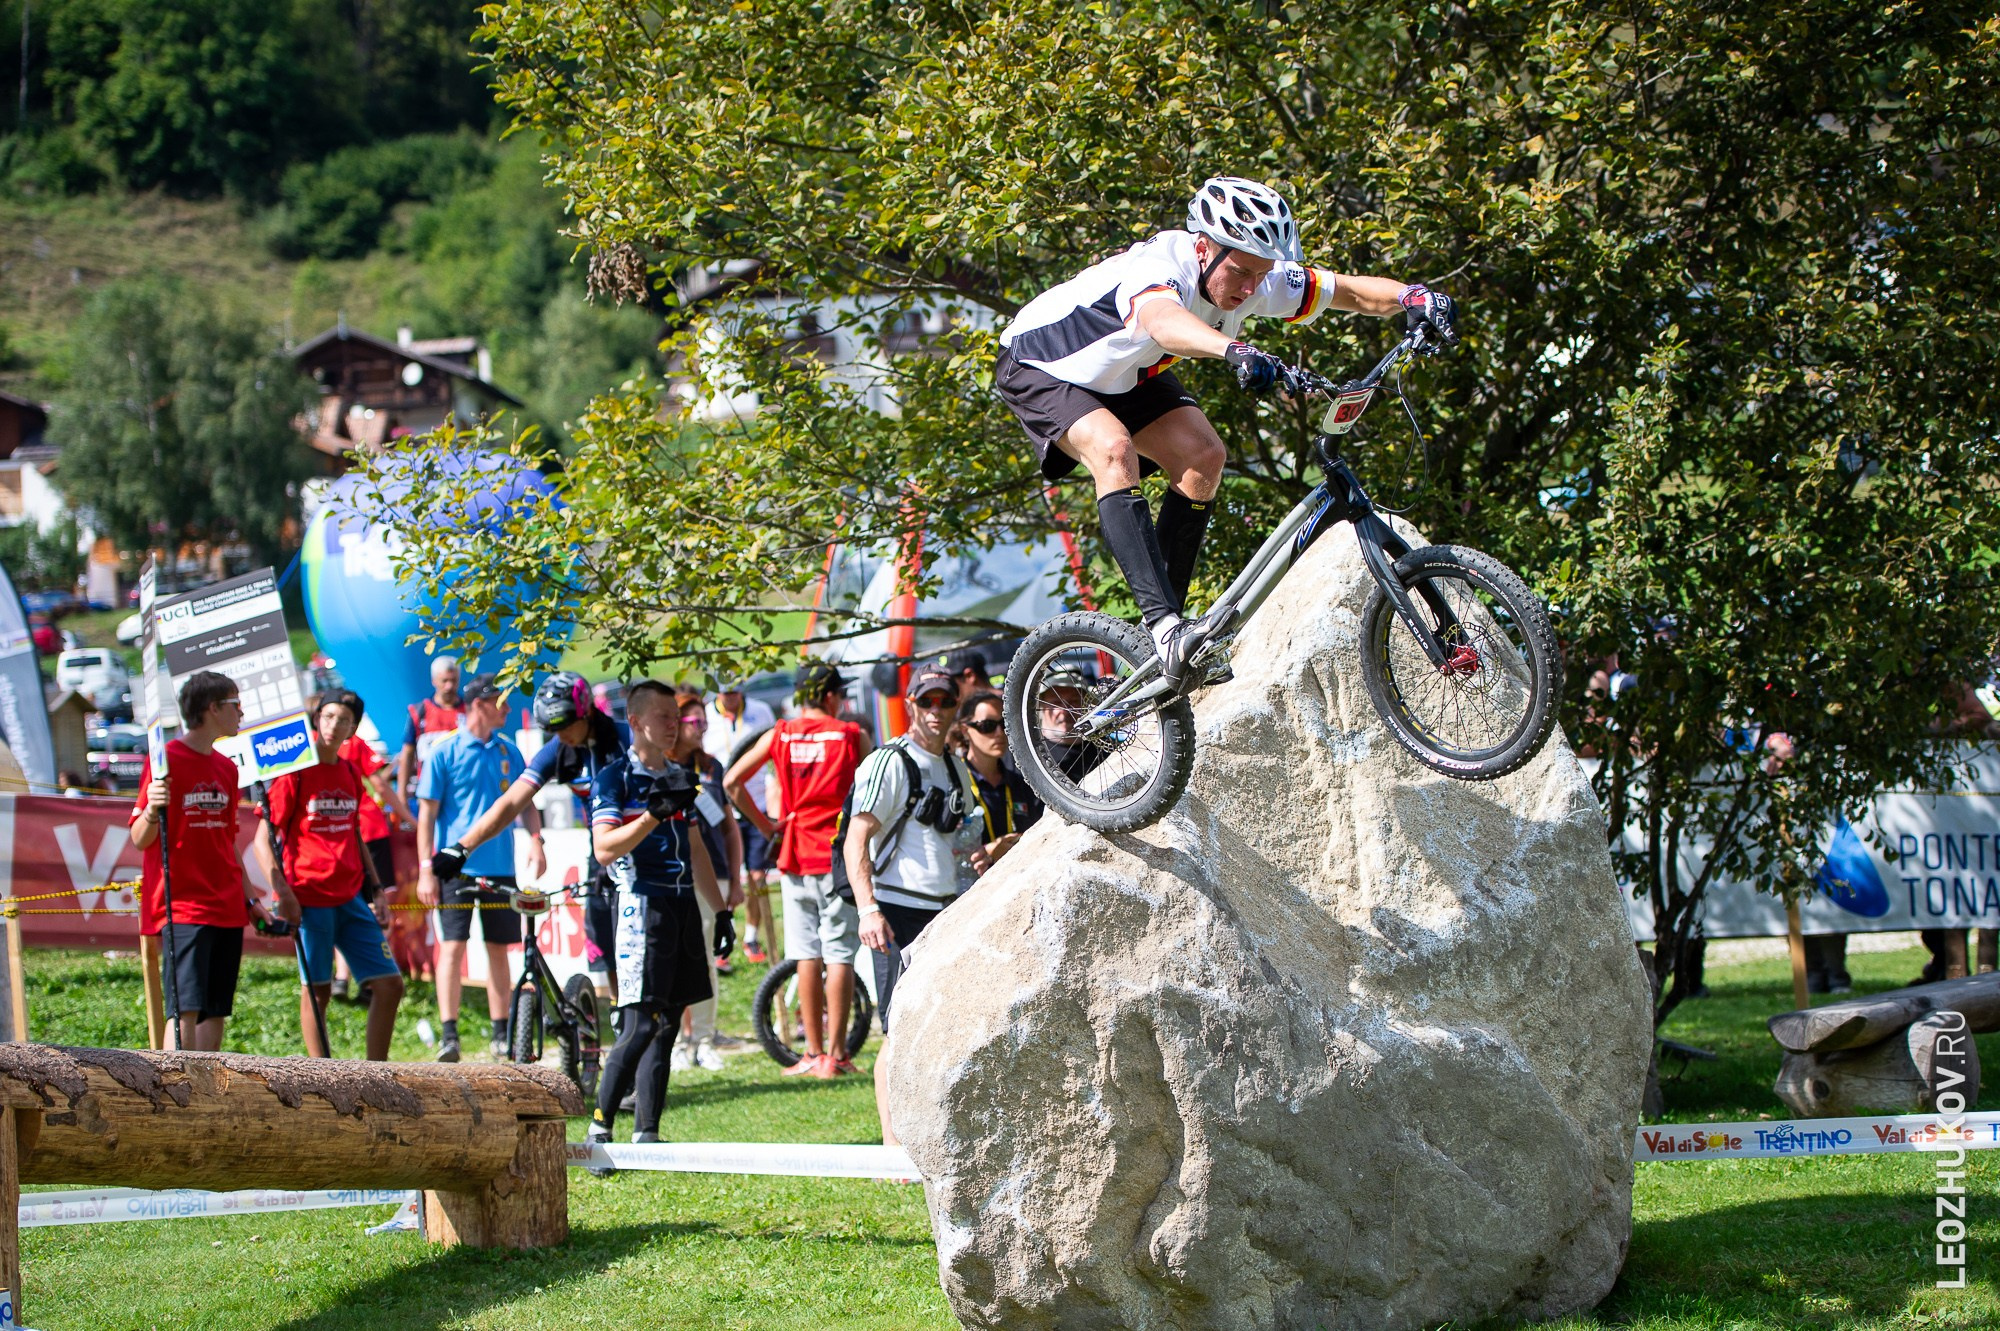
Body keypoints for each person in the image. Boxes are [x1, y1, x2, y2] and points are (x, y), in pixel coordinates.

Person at [995, 176, 1458, 683]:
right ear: (1203, 248)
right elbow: (1164, 322)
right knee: (1113, 448)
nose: (1249, 288)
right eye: (1240, 273)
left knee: (1203, 457)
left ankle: (1162, 643)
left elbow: (1347, 291)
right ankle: (1165, 625)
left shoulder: (1251, 278)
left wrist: (1414, 297)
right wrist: (1233, 350)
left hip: (1123, 373)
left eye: (1260, 276)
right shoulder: (1159, 266)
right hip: (1040, 365)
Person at [586, 681, 729, 1164]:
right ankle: (600, 1126)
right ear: (638, 722)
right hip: (639, 906)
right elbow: (603, 849)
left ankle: (648, 1132)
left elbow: (695, 847)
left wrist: (721, 908)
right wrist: (651, 815)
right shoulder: (614, 778)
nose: (675, 726)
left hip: (683, 905)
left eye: (678, 718)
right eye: (665, 717)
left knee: (669, 1023)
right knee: (640, 1024)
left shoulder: (679, 773)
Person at [844, 666, 985, 1143]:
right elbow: (855, 839)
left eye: (945, 702)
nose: (936, 711)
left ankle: (936, 1131)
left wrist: (978, 853)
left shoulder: (954, 766)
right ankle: (891, 1142)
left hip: (946, 910)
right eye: (927, 701)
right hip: (896, 911)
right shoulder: (889, 763)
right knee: (898, 1030)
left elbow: (962, 834)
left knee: (941, 1022)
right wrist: (868, 910)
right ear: (911, 704)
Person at [436, 671, 627, 1016]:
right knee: (605, 945)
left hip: (639, 852)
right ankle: (621, 1017)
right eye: (552, 729)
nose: (560, 736)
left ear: (584, 713)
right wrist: (461, 847)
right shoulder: (559, 748)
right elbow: (511, 803)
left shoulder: (625, 740)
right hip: (601, 857)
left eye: (565, 725)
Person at [129, 671, 297, 1051]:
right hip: (184, 907)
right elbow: (141, 838)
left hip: (226, 908)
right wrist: (154, 809)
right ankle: (175, 1093)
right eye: (235, 704)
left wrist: (251, 901)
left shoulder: (226, 768)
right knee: (185, 1009)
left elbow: (228, 845)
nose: (242, 712)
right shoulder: (165, 760)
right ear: (212, 708)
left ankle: (204, 1100)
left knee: (216, 1009)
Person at [724, 660, 869, 1078]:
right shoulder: (849, 735)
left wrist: (766, 824)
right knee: (839, 953)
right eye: (840, 694)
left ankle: (811, 1055)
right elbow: (874, 786)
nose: (842, 702)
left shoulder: (780, 733)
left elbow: (733, 781)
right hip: (838, 855)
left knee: (806, 952)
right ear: (828, 695)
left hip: (794, 855)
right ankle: (837, 1057)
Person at [254, 690, 405, 1060]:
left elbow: (354, 833)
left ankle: (377, 1074)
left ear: (352, 729)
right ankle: (323, 1078)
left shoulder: (351, 772)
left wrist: (377, 890)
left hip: (350, 897)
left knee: (389, 985)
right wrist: (282, 892)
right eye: (328, 716)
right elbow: (262, 840)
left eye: (343, 719)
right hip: (308, 898)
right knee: (318, 991)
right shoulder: (295, 773)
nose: (334, 724)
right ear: (317, 719)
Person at [416, 673, 544, 1062]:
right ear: (478, 705)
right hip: (456, 870)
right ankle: (449, 1035)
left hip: (501, 867)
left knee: (498, 950)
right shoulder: (443, 751)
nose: (507, 709)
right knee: (452, 948)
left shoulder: (510, 750)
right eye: (500, 702)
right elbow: (427, 815)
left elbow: (528, 803)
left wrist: (537, 841)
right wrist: (426, 868)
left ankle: (501, 1033)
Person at [672, 686, 743, 1071]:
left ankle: (702, 1038)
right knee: (674, 958)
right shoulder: (661, 766)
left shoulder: (711, 767)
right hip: (670, 876)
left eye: (704, 721)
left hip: (709, 874)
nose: (700, 728)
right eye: (693, 721)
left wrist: (735, 879)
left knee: (703, 958)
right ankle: (679, 1041)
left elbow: (729, 828)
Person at [336, 726, 413, 1001]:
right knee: (380, 905)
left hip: (340, 832)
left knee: (345, 905)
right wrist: (410, 819)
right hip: (368, 829)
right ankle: (375, 978)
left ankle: (342, 979)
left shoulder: (316, 747)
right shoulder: (354, 743)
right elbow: (380, 784)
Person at [705, 679, 777, 963]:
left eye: (734, 692)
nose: (730, 697)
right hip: (722, 811)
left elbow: (771, 760)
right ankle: (725, 935)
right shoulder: (707, 717)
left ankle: (751, 936)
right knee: (725, 877)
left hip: (756, 806)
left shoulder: (761, 711)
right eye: (725, 692)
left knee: (757, 877)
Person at [957, 689, 1042, 864]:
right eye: (987, 726)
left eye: (1004, 724)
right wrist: (988, 851)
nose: (999, 733)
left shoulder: (1022, 783)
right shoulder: (955, 783)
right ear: (965, 731)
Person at [396, 655, 463, 805]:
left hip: (461, 790)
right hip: (428, 791)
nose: (449, 686)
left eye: (454, 680)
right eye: (444, 681)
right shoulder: (418, 712)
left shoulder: (469, 711)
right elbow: (407, 754)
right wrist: (401, 794)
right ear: (434, 681)